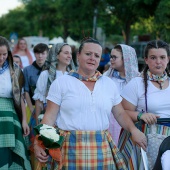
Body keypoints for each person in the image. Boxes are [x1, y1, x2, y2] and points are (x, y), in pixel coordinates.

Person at [33, 37, 147, 169]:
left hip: (101, 146)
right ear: (78, 56)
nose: (92, 58)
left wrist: (134, 130)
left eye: (97, 55)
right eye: (88, 54)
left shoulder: (108, 84)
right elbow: (49, 117)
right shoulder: (62, 82)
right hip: (70, 147)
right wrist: (38, 142)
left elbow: (120, 114)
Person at [118, 40, 170, 169]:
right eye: (153, 57)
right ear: (146, 60)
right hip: (144, 139)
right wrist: (140, 115)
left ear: (168, 59)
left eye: (162, 57)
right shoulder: (136, 84)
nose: (158, 62)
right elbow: (121, 112)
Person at [0, 36, 31, 169]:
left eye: (4, 54)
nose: (1, 58)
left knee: (11, 151)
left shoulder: (16, 70)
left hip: (11, 113)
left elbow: (21, 98)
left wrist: (24, 121)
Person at [104, 44, 140, 145]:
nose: (111, 59)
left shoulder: (138, 80)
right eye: (111, 56)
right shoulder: (106, 77)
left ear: (126, 59)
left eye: (114, 57)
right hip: (110, 122)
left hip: (130, 123)